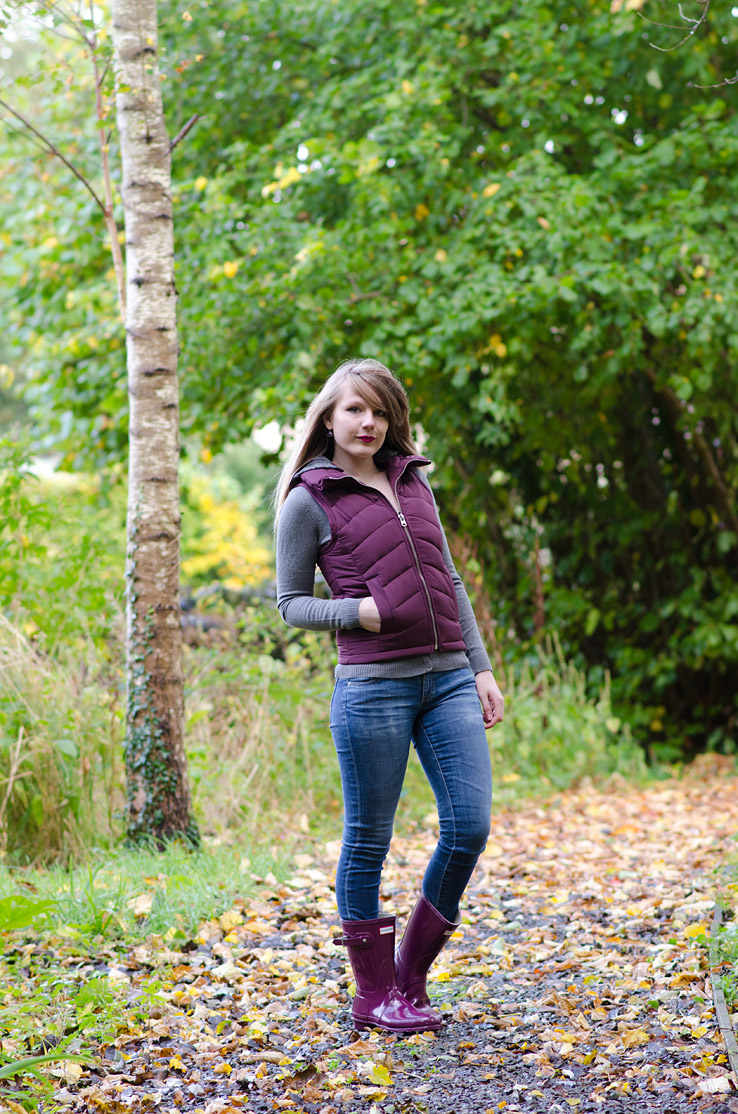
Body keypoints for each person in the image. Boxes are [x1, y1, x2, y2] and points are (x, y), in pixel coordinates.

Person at [275, 358, 503, 1033]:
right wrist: (356, 612)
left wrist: (482, 666)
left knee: (470, 827)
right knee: (368, 839)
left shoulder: (414, 481)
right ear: (328, 417)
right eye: (354, 409)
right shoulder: (307, 499)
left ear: (392, 417)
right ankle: (372, 995)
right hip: (373, 687)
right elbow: (290, 605)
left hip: (450, 679)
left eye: (378, 409)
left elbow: (451, 581)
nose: (367, 421)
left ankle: (408, 977)